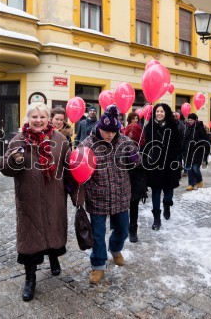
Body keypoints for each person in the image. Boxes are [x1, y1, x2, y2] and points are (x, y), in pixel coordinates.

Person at [0, 103, 71, 301]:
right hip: (28, 199)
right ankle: (30, 279)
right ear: (28, 118)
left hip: (53, 197)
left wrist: (75, 191)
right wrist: (14, 160)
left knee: (53, 230)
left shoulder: (60, 140)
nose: (38, 120)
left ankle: (54, 258)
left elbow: (69, 168)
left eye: (42, 116)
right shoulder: (18, 140)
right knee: (30, 240)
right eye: (34, 116)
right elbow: (5, 169)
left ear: (48, 119)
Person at [73, 105, 140, 284]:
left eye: (113, 131)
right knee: (98, 234)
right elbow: (78, 166)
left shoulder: (124, 141)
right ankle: (98, 265)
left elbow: (136, 163)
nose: (109, 135)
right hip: (97, 196)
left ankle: (115, 249)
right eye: (106, 131)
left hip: (120, 195)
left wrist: (135, 156)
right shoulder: (87, 143)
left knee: (123, 229)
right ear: (99, 127)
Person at [143, 103, 181, 230]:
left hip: (169, 164)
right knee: (156, 191)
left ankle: (166, 204)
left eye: (162, 111)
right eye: (157, 111)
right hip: (154, 164)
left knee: (169, 190)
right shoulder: (149, 127)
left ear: (166, 113)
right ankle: (156, 218)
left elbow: (177, 145)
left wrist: (176, 161)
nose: (159, 113)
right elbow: (145, 145)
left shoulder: (172, 126)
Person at [124, 120, 147, 243]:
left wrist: (140, 159)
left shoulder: (144, 146)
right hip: (124, 180)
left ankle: (133, 230)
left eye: (133, 136)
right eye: (129, 135)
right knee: (122, 207)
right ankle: (121, 228)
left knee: (134, 206)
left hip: (137, 180)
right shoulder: (122, 145)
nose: (130, 138)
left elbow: (149, 164)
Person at [182, 113, 210, 191]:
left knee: (195, 168)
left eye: (191, 120)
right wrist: (183, 148)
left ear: (195, 120)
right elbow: (185, 139)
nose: (190, 121)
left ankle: (199, 181)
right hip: (188, 152)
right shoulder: (187, 127)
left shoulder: (200, 127)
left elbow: (204, 139)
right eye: (189, 120)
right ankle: (191, 184)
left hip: (197, 152)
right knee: (189, 169)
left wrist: (197, 142)